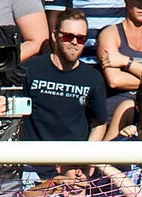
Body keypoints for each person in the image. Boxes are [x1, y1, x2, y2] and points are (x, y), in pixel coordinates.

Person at [23, 9, 110, 142]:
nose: (74, 42)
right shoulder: (31, 69)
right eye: (68, 37)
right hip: (33, 157)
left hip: (72, 158)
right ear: (55, 36)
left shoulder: (93, 78)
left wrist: (85, 157)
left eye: (81, 38)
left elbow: (99, 123)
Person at [97, 0, 142, 118]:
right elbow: (115, 80)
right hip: (116, 113)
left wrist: (126, 61)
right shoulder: (110, 34)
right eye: (137, 1)